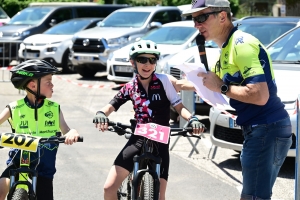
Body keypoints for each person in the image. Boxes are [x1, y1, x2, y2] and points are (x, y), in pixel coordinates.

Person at [182, 0, 292, 199]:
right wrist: (171, 84)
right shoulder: (227, 48)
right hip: (261, 128)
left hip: (266, 127)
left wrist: (222, 87)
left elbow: (259, 95)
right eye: (194, 19)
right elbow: (207, 83)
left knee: (253, 197)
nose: (197, 25)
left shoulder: (241, 44)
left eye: (202, 17)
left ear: (222, 16)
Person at [93, 40, 205, 200]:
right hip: (138, 137)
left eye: (152, 60)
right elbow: (111, 106)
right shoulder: (130, 87)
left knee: (160, 197)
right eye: (142, 59)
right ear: (133, 62)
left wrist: (192, 119)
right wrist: (101, 114)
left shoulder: (164, 81)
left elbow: (179, 107)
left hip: (161, 139)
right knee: (109, 189)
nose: (147, 64)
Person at [0, 60, 81, 200]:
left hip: (44, 165)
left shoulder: (54, 108)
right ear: (32, 85)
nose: (52, 85)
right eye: (48, 81)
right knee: (1, 190)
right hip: (19, 161)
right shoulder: (14, 107)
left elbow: (66, 130)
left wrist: (72, 132)